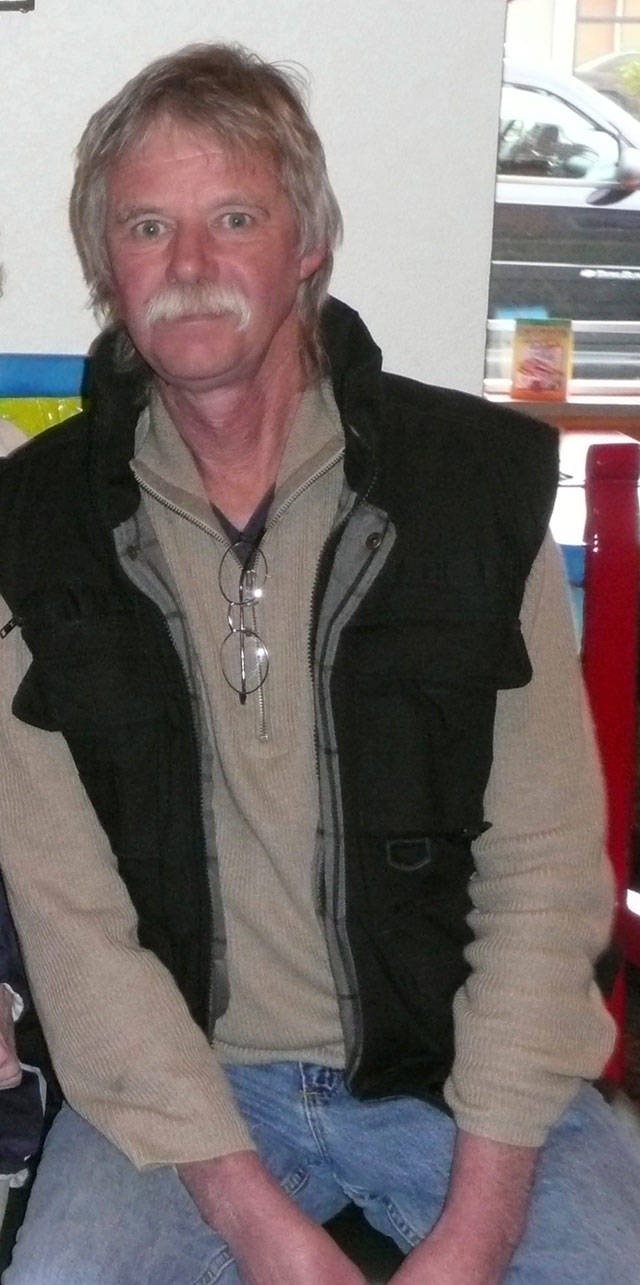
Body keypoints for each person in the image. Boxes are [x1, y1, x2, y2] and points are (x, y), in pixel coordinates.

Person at [0, 42, 638, 1285]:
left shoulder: (472, 492)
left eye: (234, 218)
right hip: (178, 1102)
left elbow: (545, 873)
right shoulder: (32, 529)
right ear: (106, 266)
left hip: (460, 1078)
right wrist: (259, 1227)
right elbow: (73, 923)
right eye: (147, 226)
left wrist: (475, 1234)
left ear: (310, 245)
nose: (189, 265)